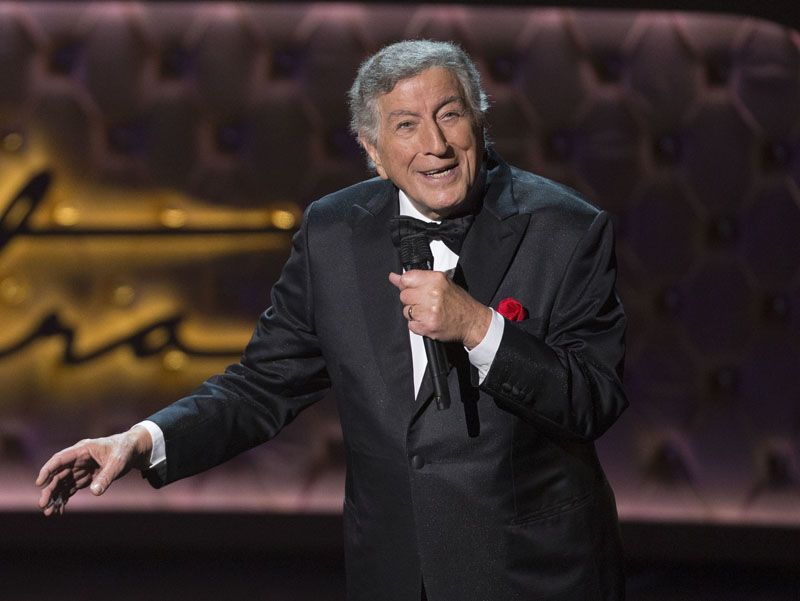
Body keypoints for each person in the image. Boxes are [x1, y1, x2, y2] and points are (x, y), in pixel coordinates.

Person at [37, 40, 628, 600]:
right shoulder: (333, 232)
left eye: (450, 115)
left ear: (479, 121)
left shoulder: (566, 229)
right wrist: (142, 440)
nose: (436, 144)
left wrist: (479, 328)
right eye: (406, 125)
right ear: (373, 151)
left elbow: (594, 398)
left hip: (533, 575)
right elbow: (262, 384)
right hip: (394, 576)